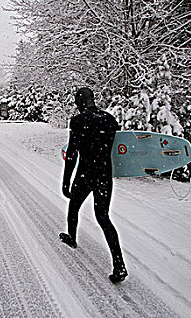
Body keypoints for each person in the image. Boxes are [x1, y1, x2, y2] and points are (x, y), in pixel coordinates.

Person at [60, 87, 128, 283]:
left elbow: (72, 153)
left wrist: (66, 181)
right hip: (104, 175)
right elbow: (118, 148)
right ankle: (119, 265)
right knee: (103, 217)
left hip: (85, 174)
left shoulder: (78, 121)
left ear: (79, 102)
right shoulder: (109, 119)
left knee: (74, 206)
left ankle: (72, 237)